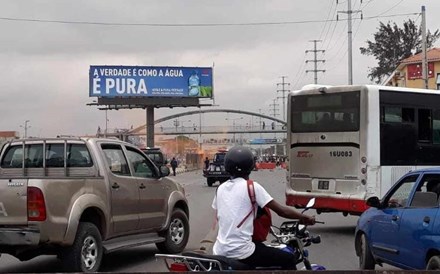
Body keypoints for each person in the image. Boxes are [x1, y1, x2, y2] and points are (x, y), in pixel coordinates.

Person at [211, 146, 315, 270]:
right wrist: (304, 217)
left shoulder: (220, 189)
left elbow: (225, 215)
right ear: (251, 165)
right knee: (288, 258)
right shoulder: (251, 187)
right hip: (241, 251)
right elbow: (281, 211)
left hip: (219, 250)